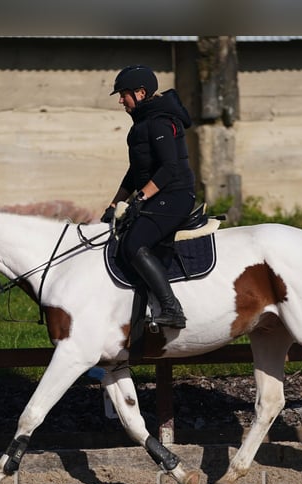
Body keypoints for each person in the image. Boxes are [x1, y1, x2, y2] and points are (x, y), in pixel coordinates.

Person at [101, 65, 196, 329]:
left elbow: (169, 169)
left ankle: (172, 309)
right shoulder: (142, 124)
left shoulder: (160, 121)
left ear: (141, 93)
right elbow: (136, 173)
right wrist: (113, 204)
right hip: (158, 196)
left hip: (175, 196)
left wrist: (140, 199)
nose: (121, 100)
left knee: (133, 244)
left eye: (124, 94)